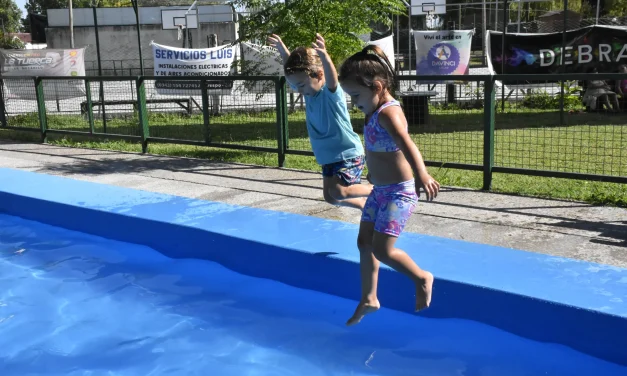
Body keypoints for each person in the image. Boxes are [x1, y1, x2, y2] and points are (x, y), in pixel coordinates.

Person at [338, 45, 441, 326]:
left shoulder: (388, 112)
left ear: (378, 86)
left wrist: (422, 174)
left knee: (383, 250)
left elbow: (406, 144)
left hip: (399, 192)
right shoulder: (373, 110)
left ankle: (421, 278)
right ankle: (369, 297)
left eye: (356, 95)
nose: (353, 102)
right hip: (380, 191)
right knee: (364, 243)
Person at [268, 33, 372, 210]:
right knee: (330, 197)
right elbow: (294, 70)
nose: (298, 90)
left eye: (301, 85)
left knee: (339, 192)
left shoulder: (330, 94)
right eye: (295, 86)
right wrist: (283, 51)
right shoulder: (310, 92)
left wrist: (325, 56)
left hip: (347, 154)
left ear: (319, 74)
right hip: (328, 157)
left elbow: (332, 78)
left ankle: (378, 190)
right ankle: (363, 203)